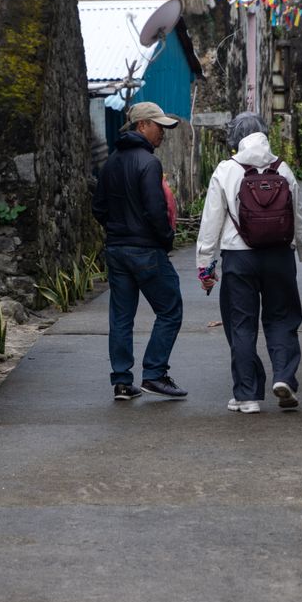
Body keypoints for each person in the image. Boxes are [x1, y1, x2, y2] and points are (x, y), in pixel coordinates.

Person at [196, 112, 302, 414]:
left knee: (241, 324)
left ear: (236, 138)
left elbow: (210, 223)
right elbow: (298, 218)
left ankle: (246, 396)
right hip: (280, 257)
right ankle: (283, 377)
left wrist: (206, 268)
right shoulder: (282, 168)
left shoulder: (226, 170)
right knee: (282, 319)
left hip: (238, 259)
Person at [92, 101, 187, 401]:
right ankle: (155, 374)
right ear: (143, 125)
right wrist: (166, 238)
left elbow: (98, 207)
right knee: (170, 309)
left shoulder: (111, 162)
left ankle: (122, 382)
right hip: (145, 250)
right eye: (159, 127)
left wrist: (116, 230)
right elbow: (155, 210)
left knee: (121, 317)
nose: (163, 134)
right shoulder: (148, 163)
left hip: (117, 249)